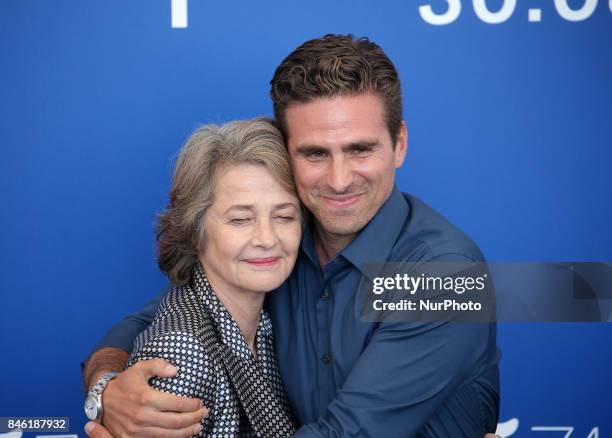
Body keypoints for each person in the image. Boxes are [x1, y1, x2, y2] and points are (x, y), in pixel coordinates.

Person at [83, 34, 501, 437]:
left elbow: (349, 433)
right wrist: (108, 388)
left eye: (360, 149)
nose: (339, 180)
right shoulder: (278, 247)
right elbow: (165, 314)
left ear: (400, 143)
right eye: (315, 153)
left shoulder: (445, 273)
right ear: (287, 155)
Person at [86, 119, 300, 437]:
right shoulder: (181, 355)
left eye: (284, 216)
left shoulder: (259, 323)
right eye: (240, 219)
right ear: (195, 232)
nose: (267, 238)